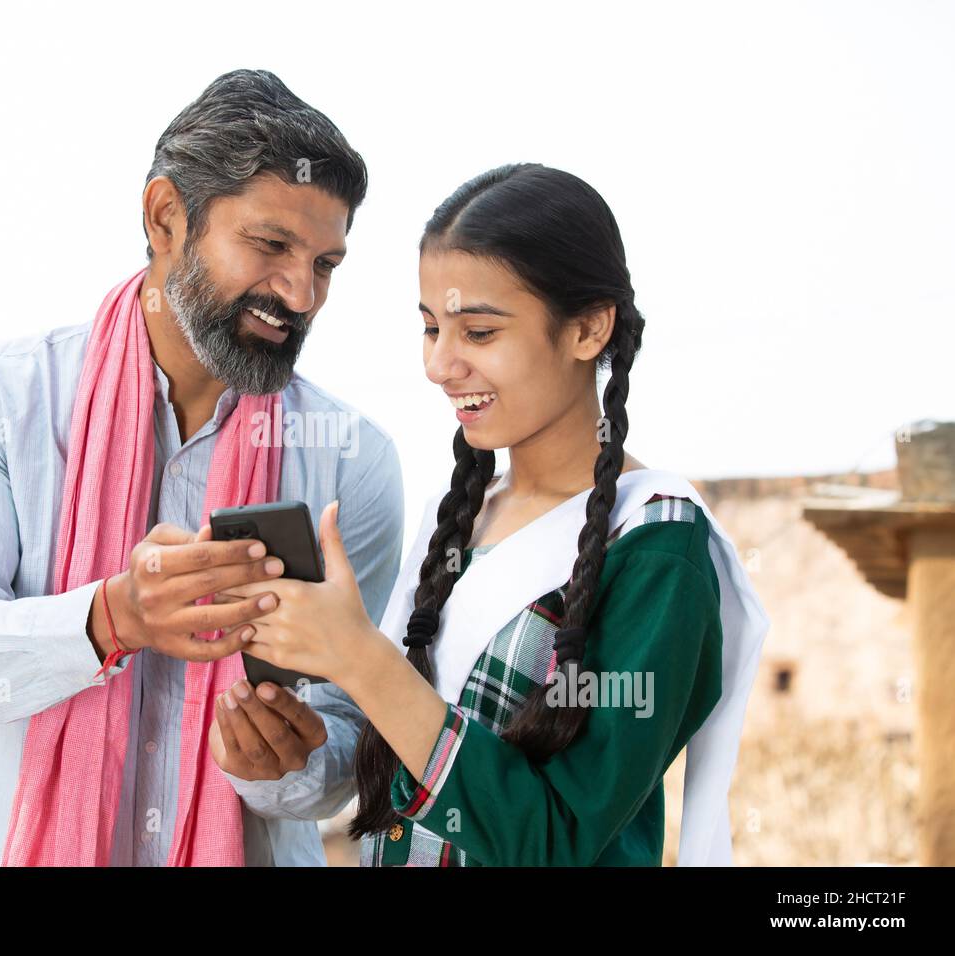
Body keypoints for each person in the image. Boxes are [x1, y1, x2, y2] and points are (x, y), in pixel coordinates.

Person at [0, 69, 404, 866]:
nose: (299, 293)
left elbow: (348, 735)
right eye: (269, 246)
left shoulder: (354, 461)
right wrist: (111, 618)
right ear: (166, 217)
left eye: (326, 264)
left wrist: (289, 766)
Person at [222, 163, 770, 866]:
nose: (440, 364)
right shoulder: (450, 523)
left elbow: (555, 839)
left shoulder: (658, 546)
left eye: (478, 332)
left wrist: (359, 656)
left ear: (588, 329)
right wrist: (285, 756)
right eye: (430, 329)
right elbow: (390, 763)